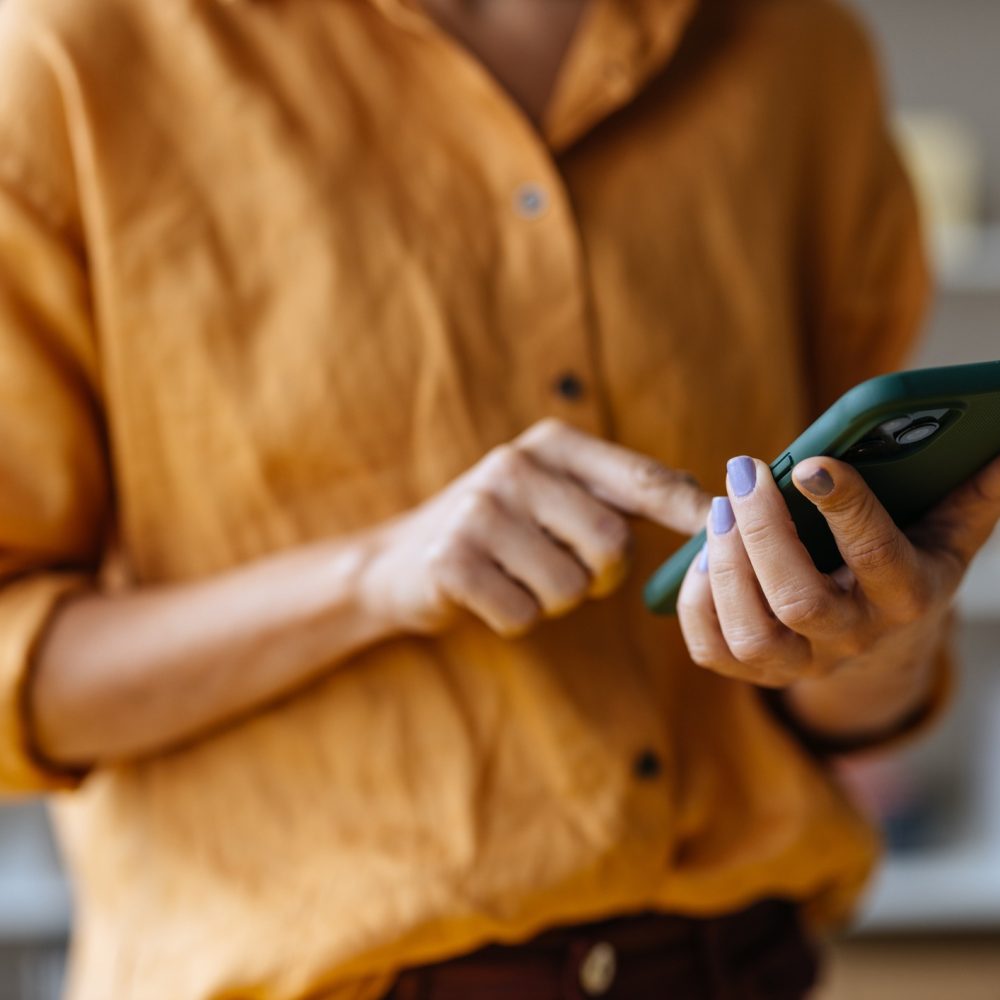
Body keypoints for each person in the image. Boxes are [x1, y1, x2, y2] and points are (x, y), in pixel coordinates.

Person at [0, 0, 997, 997]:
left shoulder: (796, 51)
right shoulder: (76, 56)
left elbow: (852, 701)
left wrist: (880, 630)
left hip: (740, 965)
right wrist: (370, 577)